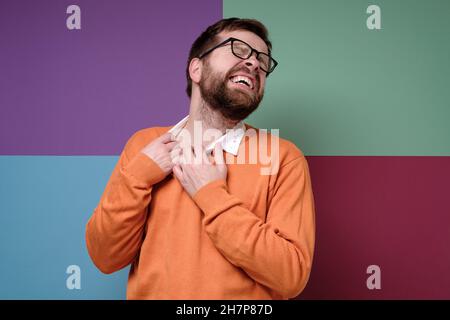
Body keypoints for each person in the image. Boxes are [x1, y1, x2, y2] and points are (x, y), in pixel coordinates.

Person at [86, 17, 315, 300]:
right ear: (197, 68)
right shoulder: (144, 145)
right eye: (240, 49)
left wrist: (211, 195)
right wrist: (139, 176)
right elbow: (105, 257)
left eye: (262, 61)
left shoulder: (283, 158)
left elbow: (290, 276)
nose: (255, 64)